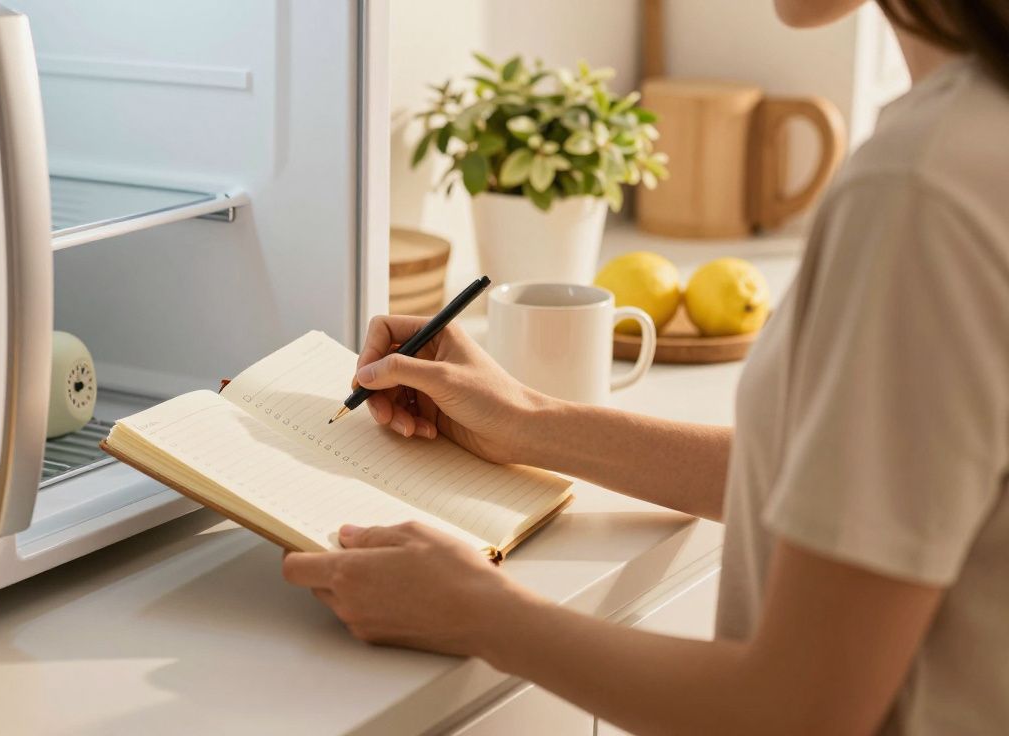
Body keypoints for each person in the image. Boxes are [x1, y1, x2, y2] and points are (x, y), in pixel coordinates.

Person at [281, 1, 1009, 732]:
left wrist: (479, 613)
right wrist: (529, 423)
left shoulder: (922, 187)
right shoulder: (971, 134)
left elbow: (796, 713)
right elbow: (856, 484)